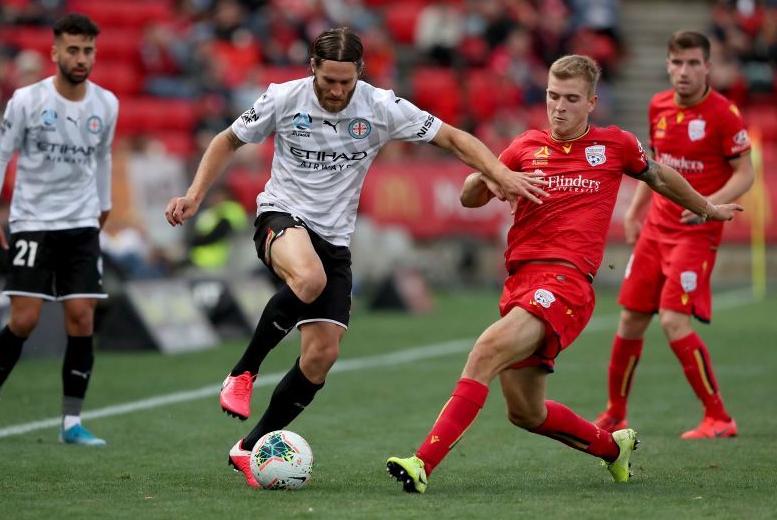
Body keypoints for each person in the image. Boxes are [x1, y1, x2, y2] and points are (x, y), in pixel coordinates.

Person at [165, 27, 548, 488]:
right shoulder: (283, 98)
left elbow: (453, 139)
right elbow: (228, 139)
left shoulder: (380, 107)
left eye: (345, 82)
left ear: (359, 74)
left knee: (321, 356)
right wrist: (194, 194)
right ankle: (242, 373)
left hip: (334, 240)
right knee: (308, 280)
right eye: (328, 80)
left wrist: (498, 172)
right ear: (312, 69)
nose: (336, 90)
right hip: (281, 216)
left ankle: (249, 447)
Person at [385, 54, 743, 493]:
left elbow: (660, 177)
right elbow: (468, 196)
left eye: (571, 99)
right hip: (520, 281)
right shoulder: (525, 146)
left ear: (592, 102)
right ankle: (614, 450)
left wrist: (707, 208)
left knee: (484, 351)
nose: (559, 107)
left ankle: (421, 463)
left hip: (566, 283)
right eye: (553, 96)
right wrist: (488, 178)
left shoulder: (616, 146)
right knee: (525, 413)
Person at [593, 31, 753, 439]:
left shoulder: (723, 114)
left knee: (672, 321)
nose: (684, 72)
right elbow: (657, 167)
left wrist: (707, 207)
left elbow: (745, 173)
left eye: (693, 63)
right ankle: (614, 413)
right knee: (629, 320)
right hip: (655, 229)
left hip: (695, 234)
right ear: (667, 65)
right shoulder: (658, 106)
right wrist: (634, 210)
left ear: (707, 67)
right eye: (677, 63)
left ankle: (719, 417)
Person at [0, 13, 118, 446]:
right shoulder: (25, 100)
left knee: (81, 317)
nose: (81, 58)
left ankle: (71, 423)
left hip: (80, 223)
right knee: (24, 319)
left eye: (88, 50)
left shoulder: (106, 104)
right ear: (54, 52)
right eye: (72, 50)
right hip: (33, 222)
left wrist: (105, 203)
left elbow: (103, 157)